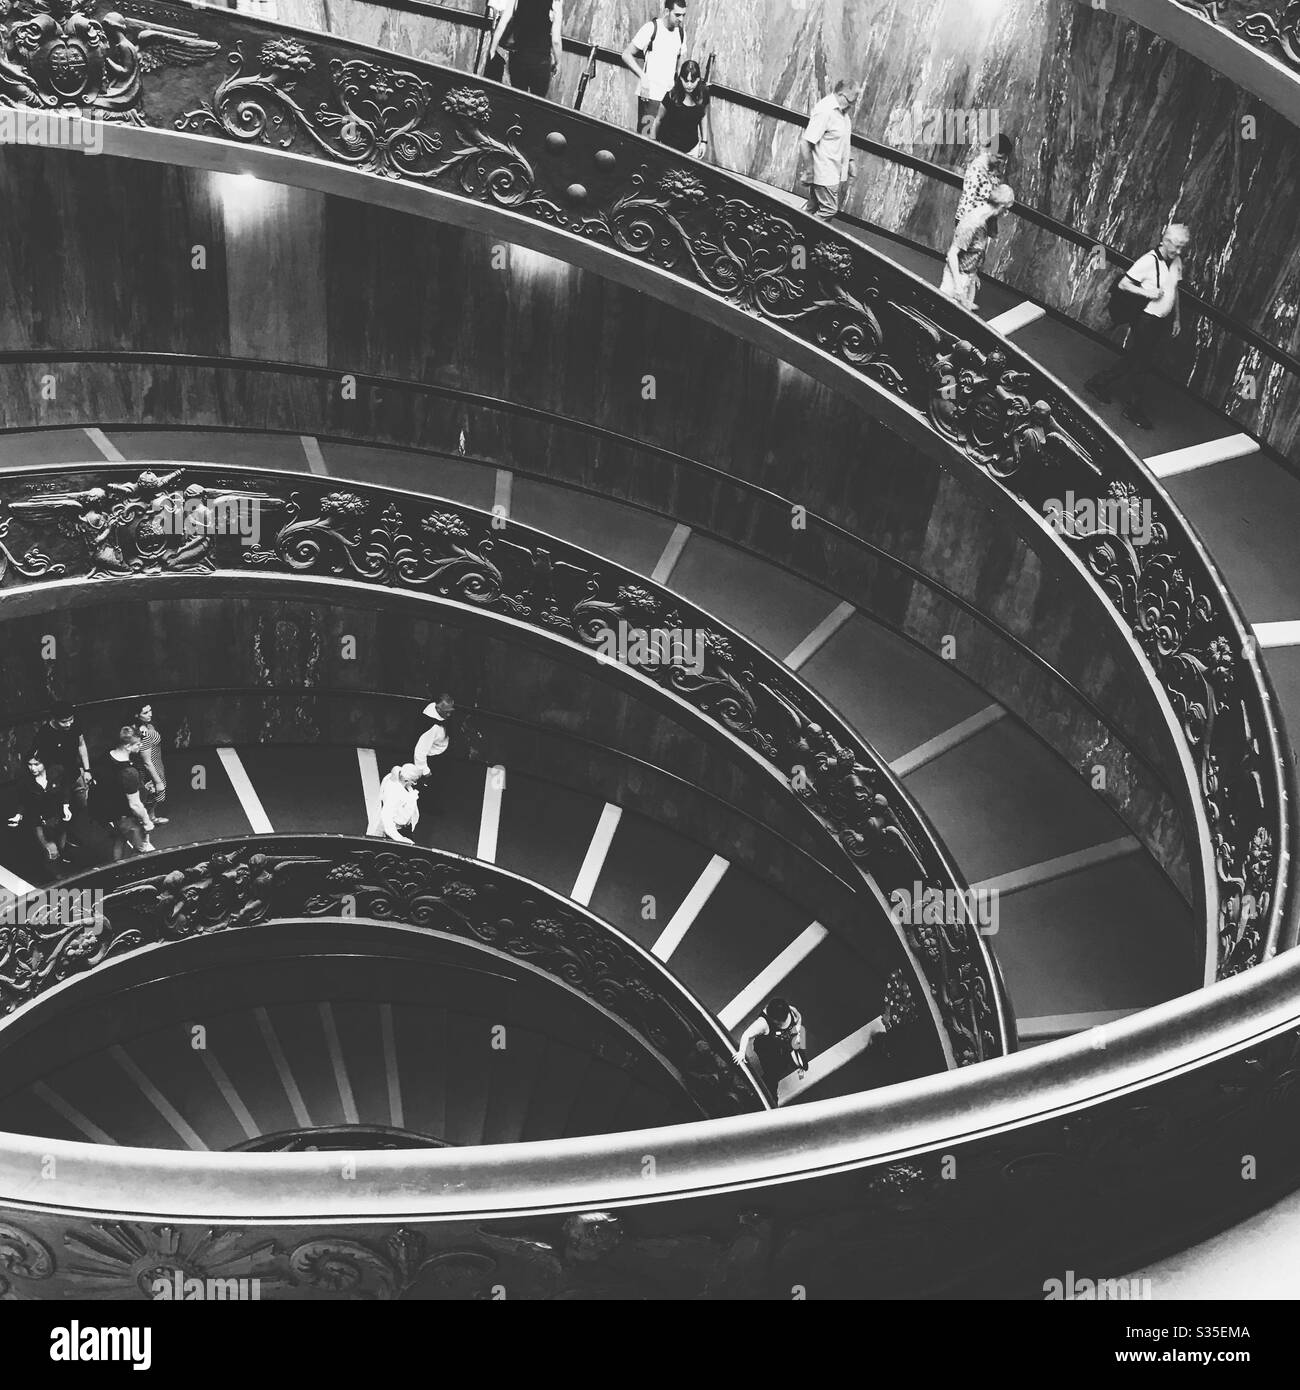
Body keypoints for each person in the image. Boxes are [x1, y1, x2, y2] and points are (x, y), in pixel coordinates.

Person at [1085, 223, 1190, 430]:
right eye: (1176, 246)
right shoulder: (1148, 261)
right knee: (1141, 363)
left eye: (1182, 247)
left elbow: (1174, 289)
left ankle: (1099, 382)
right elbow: (1124, 284)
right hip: (1146, 319)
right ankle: (1132, 408)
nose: (1179, 251)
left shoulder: (1176, 261)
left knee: (1137, 358)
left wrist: (1177, 318)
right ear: (1165, 241)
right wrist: (1147, 293)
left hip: (1162, 319)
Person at [941, 183, 1015, 314]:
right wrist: (958, 287)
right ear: (1001, 206)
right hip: (956, 279)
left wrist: (973, 273)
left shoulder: (987, 221)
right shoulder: (973, 222)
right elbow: (952, 255)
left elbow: (974, 250)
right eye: (1007, 208)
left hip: (968, 277)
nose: (1007, 212)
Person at [623, 0, 687, 138]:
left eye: (683, 15)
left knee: (664, 138)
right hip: (651, 96)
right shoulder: (651, 28)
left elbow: (680, 61)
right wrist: (643, 77)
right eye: (677, 15)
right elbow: (626, 55)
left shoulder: (681, 32)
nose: (681, 19)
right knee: (645, 137)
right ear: (666, 11)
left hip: (670, 97)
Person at [89, 727, 156, 860]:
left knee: (120, 839)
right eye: (138, 744)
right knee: (145, 851)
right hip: (124, 817)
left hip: (106, 812)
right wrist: (147, 821)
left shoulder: (105, 756)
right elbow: (135, 805)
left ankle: (116, 867)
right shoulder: (129, 773)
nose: (141, 746)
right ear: (127, 746)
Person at [797, 80, 856, 221]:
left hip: (833, 171)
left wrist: (850, 160)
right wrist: (809, 171)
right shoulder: (826, 110)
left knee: (812, 207)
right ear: (842, 95)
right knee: (829, 209)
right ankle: (805, 231)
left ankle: (797, 232)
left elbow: (841, 140)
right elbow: (805, 142)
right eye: (851, 101)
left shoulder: (842, 113)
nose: (852, 106)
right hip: (824, 172)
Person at [732, 997, 808, 1099]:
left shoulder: (791, 1012)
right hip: (767, 1048)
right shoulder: (762, 1023)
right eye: (781, 1024)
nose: (785, 1024)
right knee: (772, 1073)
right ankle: (768, 1094)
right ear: (773, 1020)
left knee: (788, 1062)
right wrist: (741, 1052)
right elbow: (747, 1034)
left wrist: (797, 1037)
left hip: (782, 1043)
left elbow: (798, 1023)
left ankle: (795, 1065)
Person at [487, 0, 563, 99]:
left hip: (518, 58)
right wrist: (558, 62)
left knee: (518, 101)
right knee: (537, 105)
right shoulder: (555, 2)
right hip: (540, 62)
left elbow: (502, 24)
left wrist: (492, 50)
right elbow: (556, 40)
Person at [7, 754, 72, 868]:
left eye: (36, 764)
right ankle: (54, 875)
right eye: (30, 764)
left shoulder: (56, 772)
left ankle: (59, 864)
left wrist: (65, 806)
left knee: (61, 847)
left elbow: (64, 789)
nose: (32, 768)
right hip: (39, 822)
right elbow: (23, 801)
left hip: (58, 819)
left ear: (44, 763)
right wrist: (18, 815)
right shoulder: (25, 782)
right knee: (52, 852)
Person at [32, 701, 92, 813]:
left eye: (71, 719)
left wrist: (87, 770)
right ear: (54, 719)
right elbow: (40, 759)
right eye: (64, 722)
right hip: (58, 779)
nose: (69, 724)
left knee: (82, 805)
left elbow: (81, 744)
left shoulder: (75, 725)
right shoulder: (45, 733)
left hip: (75, 773)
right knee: (61, 810)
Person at [954, 132, 1013, 225]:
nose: (1002, 162)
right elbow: (969, 198)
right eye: (999, 158)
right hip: (968, 222)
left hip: (979, 222)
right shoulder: (977, 168)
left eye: (1004, 159)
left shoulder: (992, 169)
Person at [654, 59, 708, 158]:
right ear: (681, 79)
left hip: (692, 150)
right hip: (669, 149)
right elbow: (658, 120)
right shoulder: (671, 96)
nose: (689, 85)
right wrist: (652, 143)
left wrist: (704, 141)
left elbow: (703, 115)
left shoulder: (703, 94)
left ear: (698, 79)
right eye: (686, 81)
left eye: (693, 81)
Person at [129, 701, 168, 825]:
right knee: (151, 795)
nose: (150, 714)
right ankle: (145, 821)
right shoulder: (142, 735)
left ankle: (151, 818)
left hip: (156, 762)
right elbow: (147, 762)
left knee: (152, 797)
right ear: (137, 715)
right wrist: (158, 781)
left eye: (150, 710)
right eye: (145, 712)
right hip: (149, 768)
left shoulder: (147, 725)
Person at [368, 764, 423, 844]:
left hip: (402, 824)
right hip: (399, 829)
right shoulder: (396, 795)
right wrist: (400, 839)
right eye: (414, 781)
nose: (415, 783)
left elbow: (396, 769)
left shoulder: (391, 777)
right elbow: (387, 818)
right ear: (406, 780)